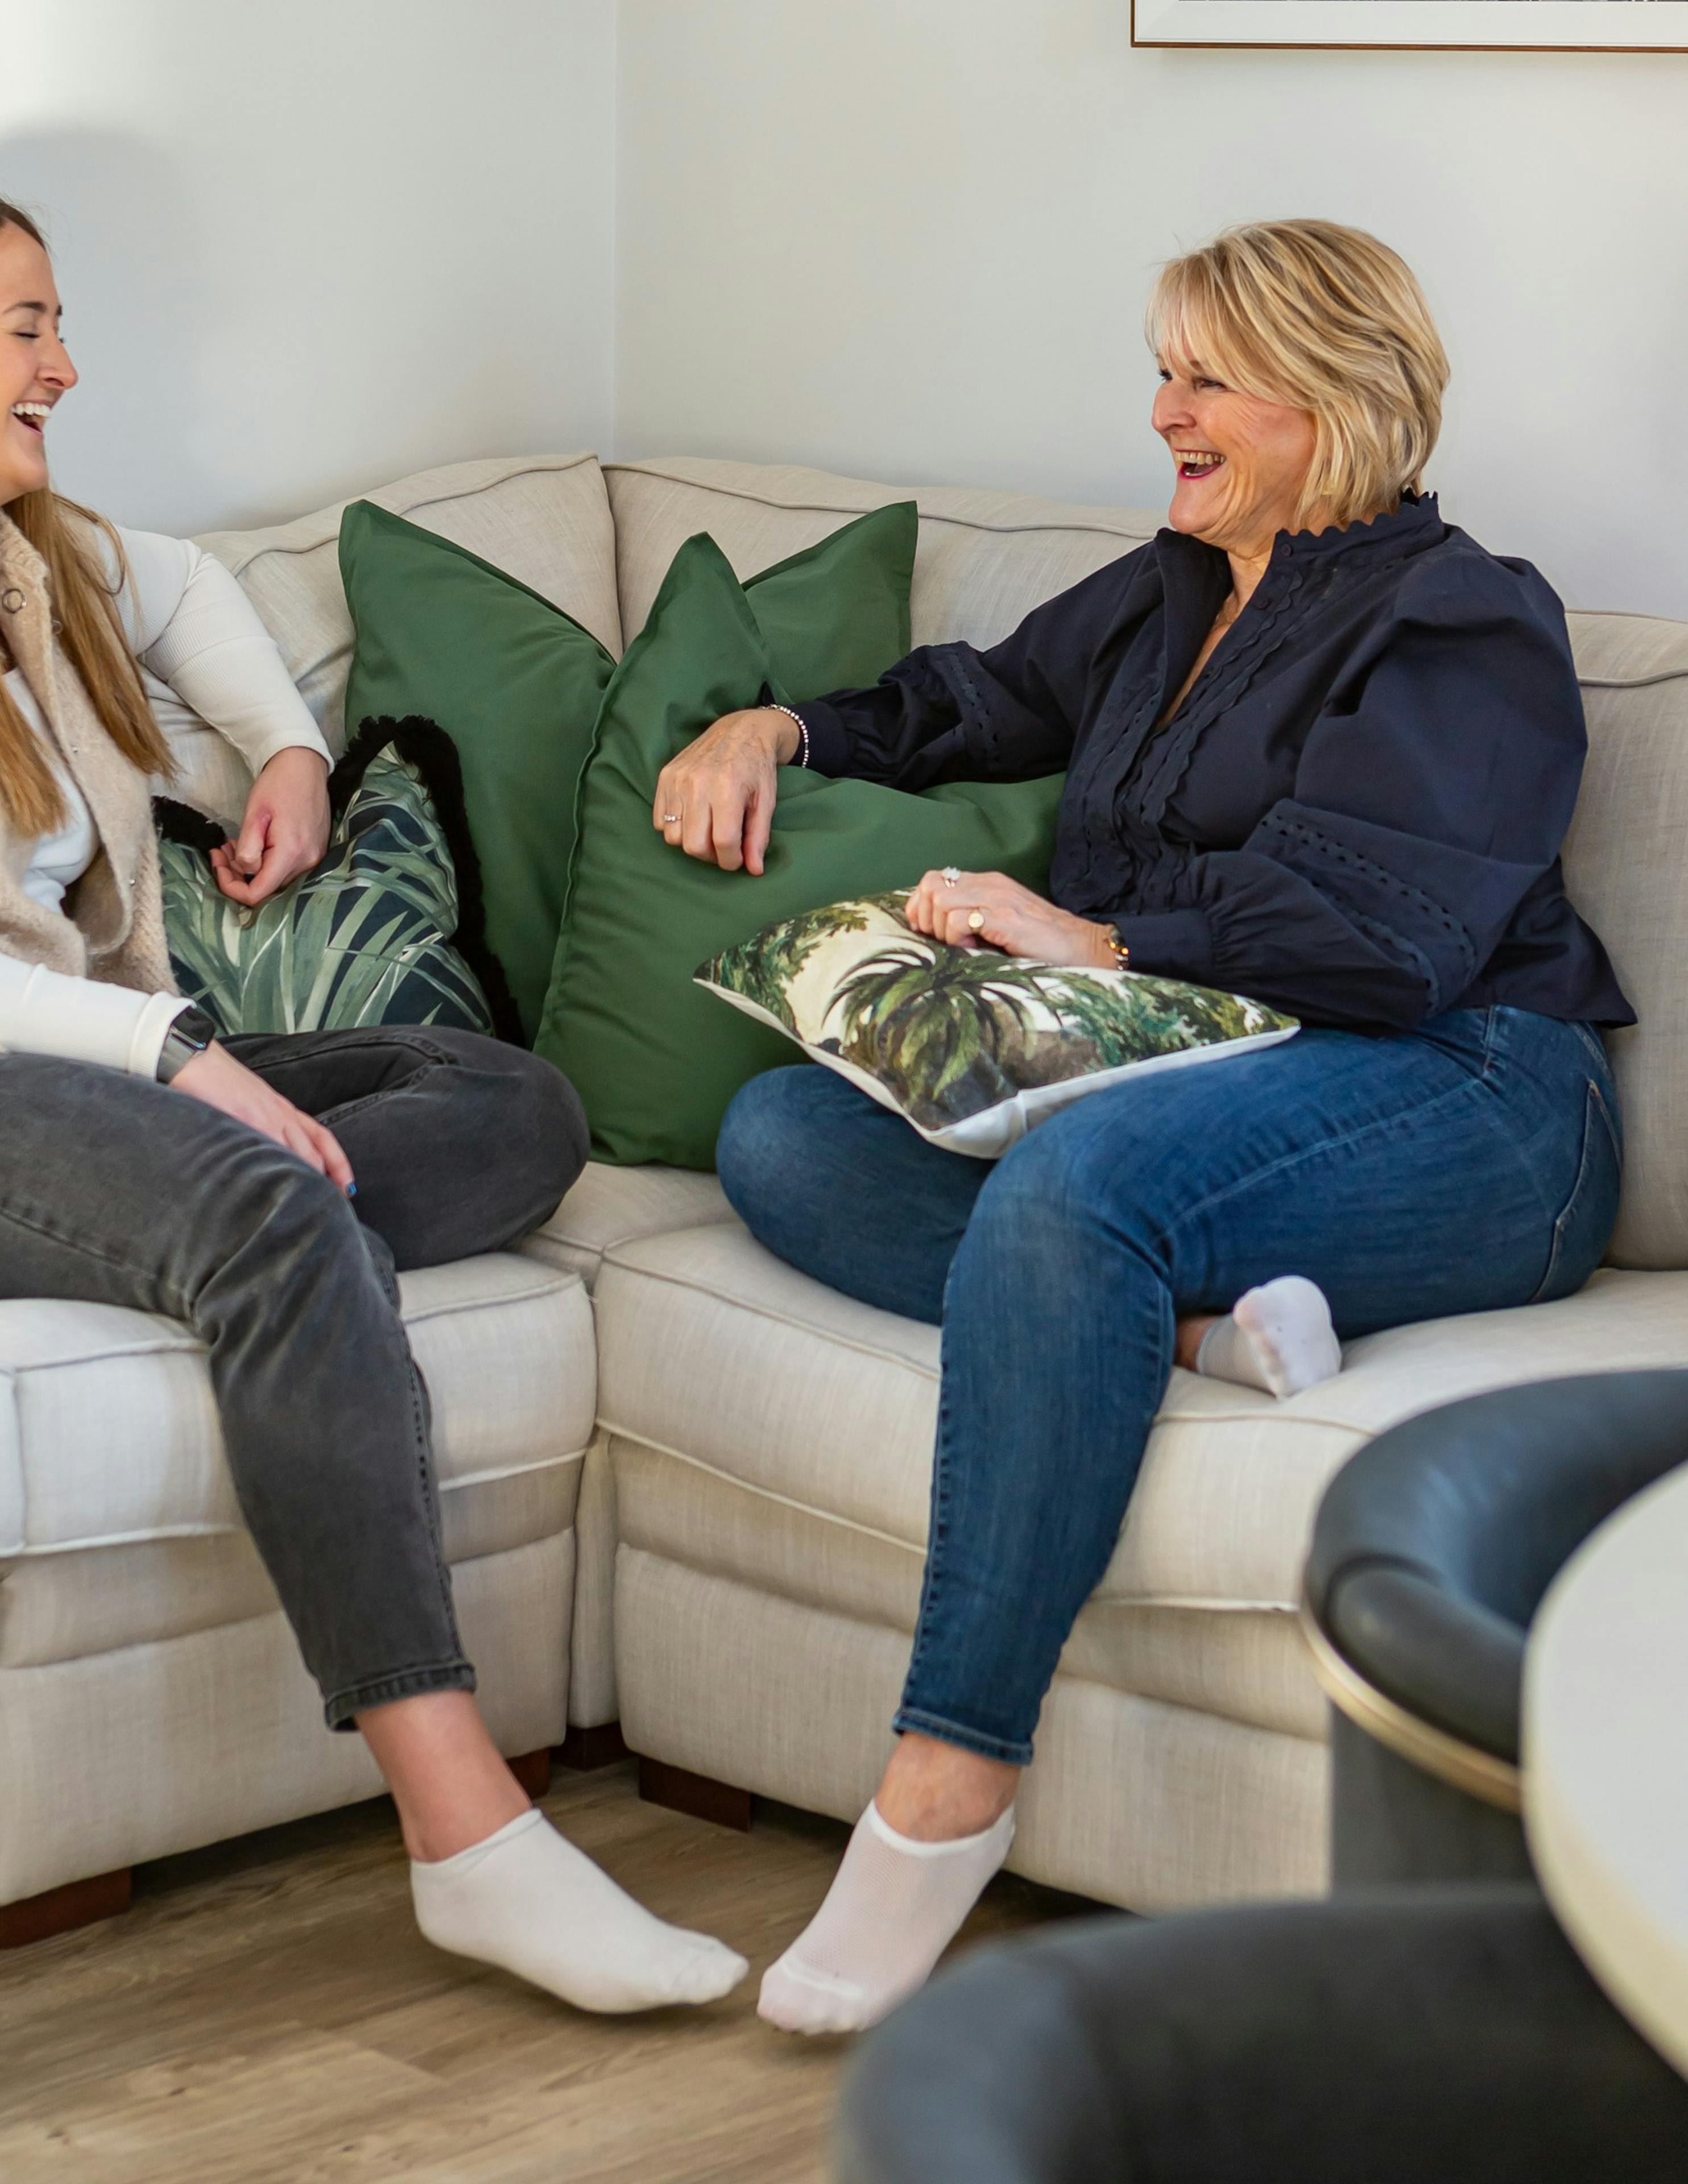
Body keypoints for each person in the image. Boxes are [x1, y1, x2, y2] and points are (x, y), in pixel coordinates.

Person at [0, 184, 746, 2017]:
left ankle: (60, 1251)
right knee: (268, 1203)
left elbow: (195, 590)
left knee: (513, 1105)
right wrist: (174, 1059)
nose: (69, 364)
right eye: (28, 325)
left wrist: (290, 751)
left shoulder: (13, 556)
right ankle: (472, 1841)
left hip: (24, 1074)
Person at [653, 218, 1631, 2034]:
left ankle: (947, 1787)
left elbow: (1395, 942)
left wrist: (1099, 937)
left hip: (1481, 1095)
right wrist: (774, 726)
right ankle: (1189, 1330)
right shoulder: (1175, 586)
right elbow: (974, 699)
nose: (1161, 410)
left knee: (1074, 1181)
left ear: (1331, 398)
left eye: (1202, 375)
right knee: (789, 1132)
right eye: (1160, 368)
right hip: (1223, 1071)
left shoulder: (1467, 617)